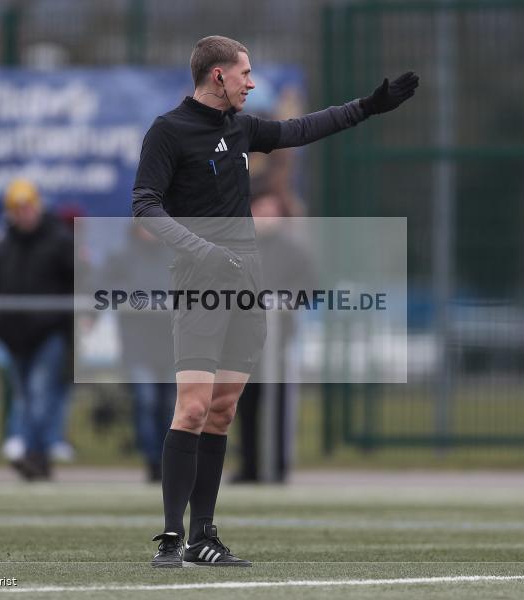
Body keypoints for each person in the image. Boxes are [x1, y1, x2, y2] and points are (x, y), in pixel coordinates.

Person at [132, 35, 418, 566]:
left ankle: (202, 538)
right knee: (191, 408)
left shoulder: (241, 127)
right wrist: (203, 249)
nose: (252, 81)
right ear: (217, 76)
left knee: (221, 411)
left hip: (247, 288)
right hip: (199, 286)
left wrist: (368, 107)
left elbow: (300, 129)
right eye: (244, 72)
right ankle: (171, 539)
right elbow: (144, 205)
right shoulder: (168, 131)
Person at [0, 179, 73, 481]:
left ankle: (34, 455)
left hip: (49, 332)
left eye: (27, 206)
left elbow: (81, 278)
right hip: (14, 336)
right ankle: (39, 460)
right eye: (17, 208)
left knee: (39, 392)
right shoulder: (2, 245)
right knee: (27, 397)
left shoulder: (59, 240)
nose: (24, 213)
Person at [234, 192, 315, 483]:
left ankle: (278, 467)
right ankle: (249, 467)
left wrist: (284, 301)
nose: (266, 215)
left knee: (278, 405)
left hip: (278, 341)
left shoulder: (294, 251)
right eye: (260, 209)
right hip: (242, 341)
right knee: (244, 406)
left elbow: (309, 286)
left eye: (272, 210)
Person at [104, 224, 176, 483]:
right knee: (145, 401)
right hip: (138, 345)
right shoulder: (122, 257)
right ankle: (152, 459)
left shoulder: (177, 256)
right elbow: (101, 287)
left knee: (170, 405)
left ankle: (170, 459)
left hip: (172, 346)